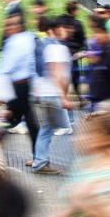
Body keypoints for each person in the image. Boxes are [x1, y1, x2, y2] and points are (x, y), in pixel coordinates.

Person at [0, 13, 39, 162]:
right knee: (20, 121)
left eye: (11, 25)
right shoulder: (25, 39)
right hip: (19, 86)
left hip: (20, 86)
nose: (8, 28)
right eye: (7, 25)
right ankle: (39, 157)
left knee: (22, 121)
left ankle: (38, 157)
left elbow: (6, 66)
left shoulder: (18, 41)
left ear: (19, 26)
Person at [31, 17, 72, 174]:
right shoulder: (56, 48)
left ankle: (39, 161)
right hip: (53, 94)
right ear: (55, 29)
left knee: (47, 128)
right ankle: (40, 161)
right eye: (63, 28)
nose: (65, 31)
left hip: (45, 93)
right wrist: (63, 97)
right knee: (64, 128)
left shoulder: (46, 45)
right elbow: (57, 74)